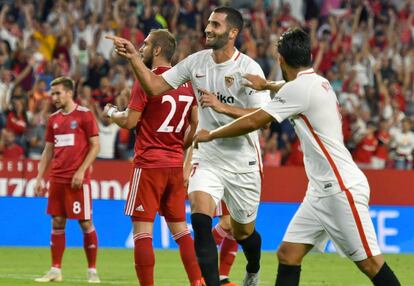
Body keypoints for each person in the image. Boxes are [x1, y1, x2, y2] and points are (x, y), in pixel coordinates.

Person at [194, 28, 401, 286]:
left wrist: (211, 134)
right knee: (288, 254)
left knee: (371, 264)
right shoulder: (318, 82)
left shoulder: (297, 90)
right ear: (309, 55)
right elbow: (289, 86)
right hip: (320, 191)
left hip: (339, 189)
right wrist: (266, 85)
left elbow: (256, 120)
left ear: (280, 60)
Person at [107, 6, 271, 286]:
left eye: (216, 25)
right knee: (199, 218)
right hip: (207, 156)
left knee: (243, 232)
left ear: (233, 33)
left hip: (243, 160)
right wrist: (135, 57)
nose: (208, 29)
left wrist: (221, 108)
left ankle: (253, 267)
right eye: (208, 23)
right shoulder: (195, 63)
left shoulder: (248, 69)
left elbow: (263, 120)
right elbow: (155, 86)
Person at [103, 29, 203, 286]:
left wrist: (113, 113)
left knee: (142, 231)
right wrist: (179, 147)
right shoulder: (186, 84)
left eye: (145, 44)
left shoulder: (146, 80)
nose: (142, 48)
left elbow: (131, 121)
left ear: (157, 50)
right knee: (181, 231)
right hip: (174, 165)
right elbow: (195, 123)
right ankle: (198, 282)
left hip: (149, 164)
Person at [34, 77, 101, 284]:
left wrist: (81, 171)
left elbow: (95, 145)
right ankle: (55, 270)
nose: (53, 97)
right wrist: (39, 177)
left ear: (69, 93)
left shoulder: (84, 115)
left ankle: (92, 271)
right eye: (52, 94)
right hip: (57, 179)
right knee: (57, 221)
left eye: (57, 93)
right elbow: (48, 150)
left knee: (85, 222)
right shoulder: (53, 119)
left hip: (77, 180)